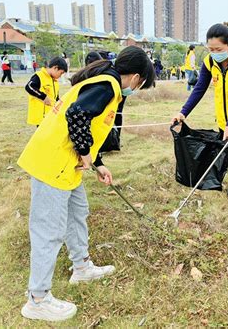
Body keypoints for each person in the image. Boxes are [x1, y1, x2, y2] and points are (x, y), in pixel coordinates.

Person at [17, 46, 155, 322]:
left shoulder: (107, 85)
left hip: (68, 165)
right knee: (49, 230)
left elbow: (90, 127)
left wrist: (98, 162)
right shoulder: (108, 85)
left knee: (77, 213)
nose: (137, 89)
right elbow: (77, 115)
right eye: (141, 85)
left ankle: (81, 267)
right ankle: (38, 299)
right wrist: (84, 151)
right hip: (52, 163)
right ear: (136, 77)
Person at [172, 22, 228, 199]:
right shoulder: (210, 62)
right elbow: (199, 88)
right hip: (222, 118)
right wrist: (183, 112)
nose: (214, 53)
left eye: (218, 49)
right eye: (210, 49)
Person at [25, 57, 67, 127]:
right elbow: (29, 87)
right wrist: (43, 97)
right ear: (55, 68)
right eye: (61, 73)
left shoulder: (54, 81)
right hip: (42, 116)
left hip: (51, 114)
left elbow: (55, 97)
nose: (60, 76)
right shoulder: (39, 76)